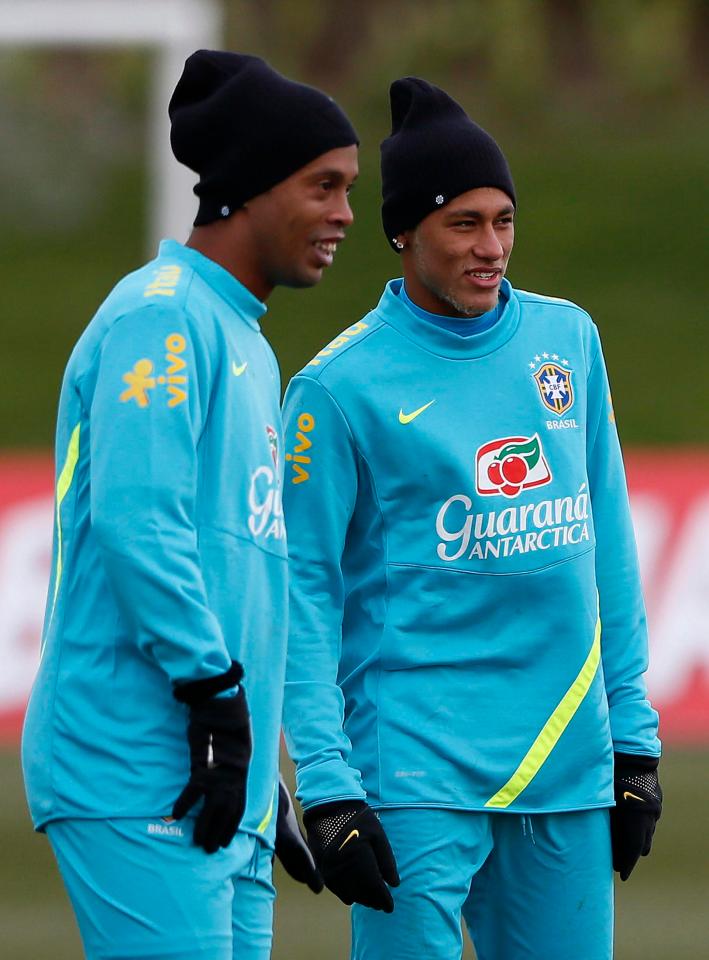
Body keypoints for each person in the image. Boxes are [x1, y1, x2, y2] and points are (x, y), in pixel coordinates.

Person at [281, 77, 661, 960]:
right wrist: (329, 786)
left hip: (565, 759)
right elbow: (300, 593)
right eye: (463, 224)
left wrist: (633, 739)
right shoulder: (337, 389)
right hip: (412, 773)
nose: (491, 247)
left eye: (503, 220)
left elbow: (604, 538)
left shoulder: (566, 340)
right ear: (403, 230)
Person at [22, 49, 357, 960]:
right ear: (249, 186)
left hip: (218, 775)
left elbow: (235, 568)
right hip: (137, 766)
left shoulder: (246, 343)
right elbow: (140, 524)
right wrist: (215, 700)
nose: (344, 215)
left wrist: (261, 776)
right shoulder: (160, 316)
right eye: (322, 186)